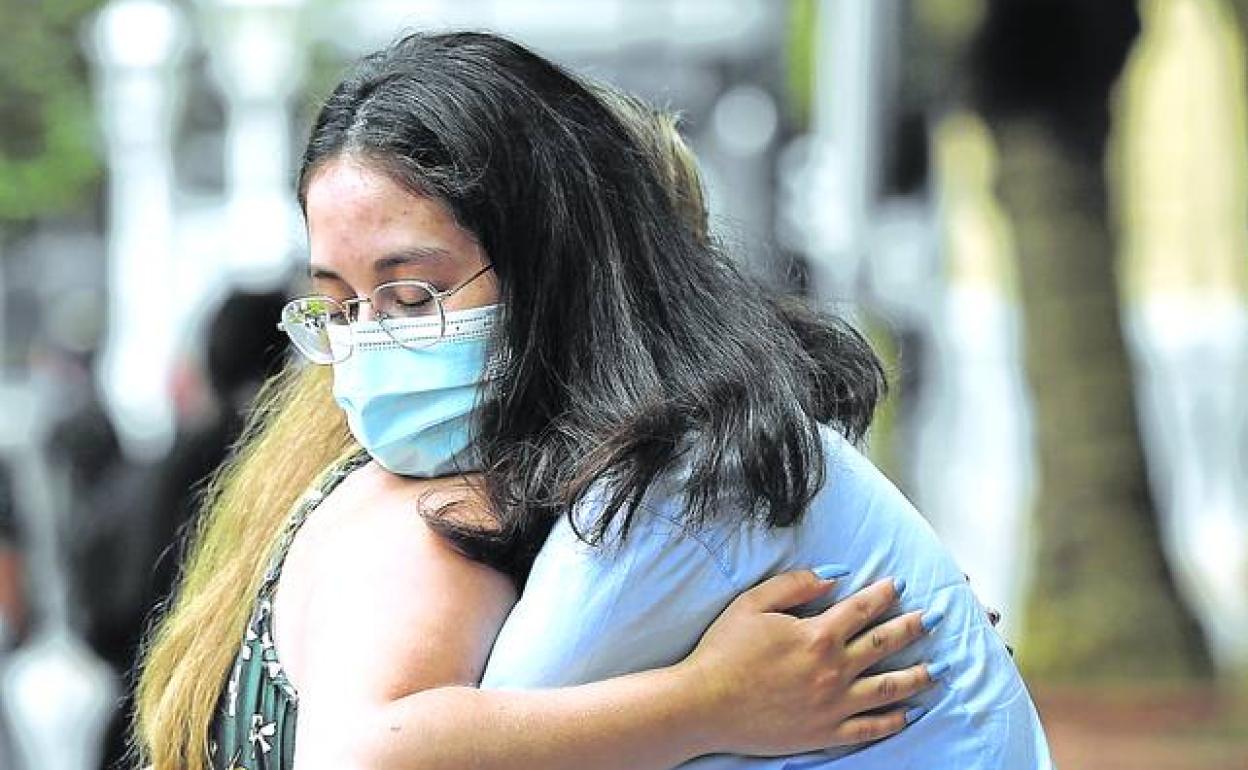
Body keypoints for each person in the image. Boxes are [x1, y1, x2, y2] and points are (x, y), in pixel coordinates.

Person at [133, 30, 1048, 770]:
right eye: (343, 306)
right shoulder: (446, 512)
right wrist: (710, 702)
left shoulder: (392, 482)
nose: (369, 339)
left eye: (412, 296)